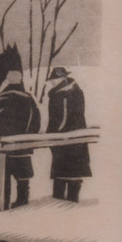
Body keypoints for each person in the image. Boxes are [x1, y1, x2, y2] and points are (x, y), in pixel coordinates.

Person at [0, 70, 42, 208]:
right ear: (20, 81)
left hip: (2, 149)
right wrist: (28, 139)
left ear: (6, 82)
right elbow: (36, 122)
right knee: (23, 179)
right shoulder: (29, 100)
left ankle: (2, 206)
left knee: (3, 178)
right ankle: (22, 204)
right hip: (23, 148)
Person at [44, 67, 91, 202]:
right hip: (73, 139)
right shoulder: (73, 91)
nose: (52, 82)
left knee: (64, 173)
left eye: (54, 79)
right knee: (70, 173)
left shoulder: (63, 94)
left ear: (62, 79)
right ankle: (70, 203)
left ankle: (65, 205)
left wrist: (52, 135)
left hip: (65, 139)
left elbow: (61, 118)